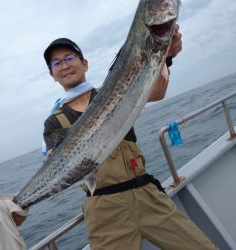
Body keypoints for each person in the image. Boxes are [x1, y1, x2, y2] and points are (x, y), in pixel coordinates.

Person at [42, 25, 218, 250]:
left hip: (145, 193)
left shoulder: (114, 89)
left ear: (84, 63)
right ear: (52, 74)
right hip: (104, 211)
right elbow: (53, 163)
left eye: (69, 57)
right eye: (57, 63)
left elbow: (156, 92)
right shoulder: (55, 121)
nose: (64, 65)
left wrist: (166, 56)